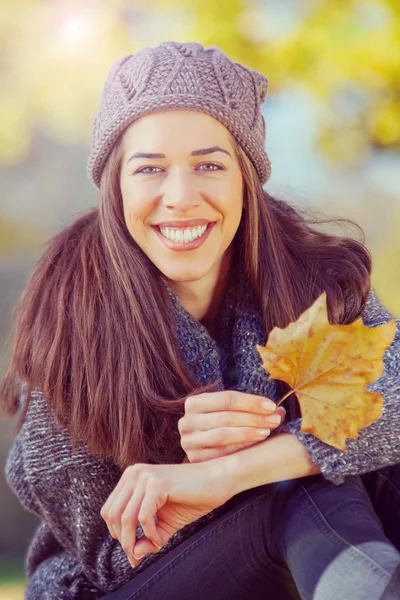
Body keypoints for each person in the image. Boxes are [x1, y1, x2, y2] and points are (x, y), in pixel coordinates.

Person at [1, 40, 400, 600]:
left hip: (303, 555)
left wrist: (232, 470)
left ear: (245, 179)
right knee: (293, 491)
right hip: (117, 586)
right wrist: (198, 483)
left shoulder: (314, 278)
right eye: (150, 169)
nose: (181, 197)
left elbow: (395, 397)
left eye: (209, 165)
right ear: (117, 186)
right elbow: (112, 556)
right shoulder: (71, 312)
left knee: (355, 475)